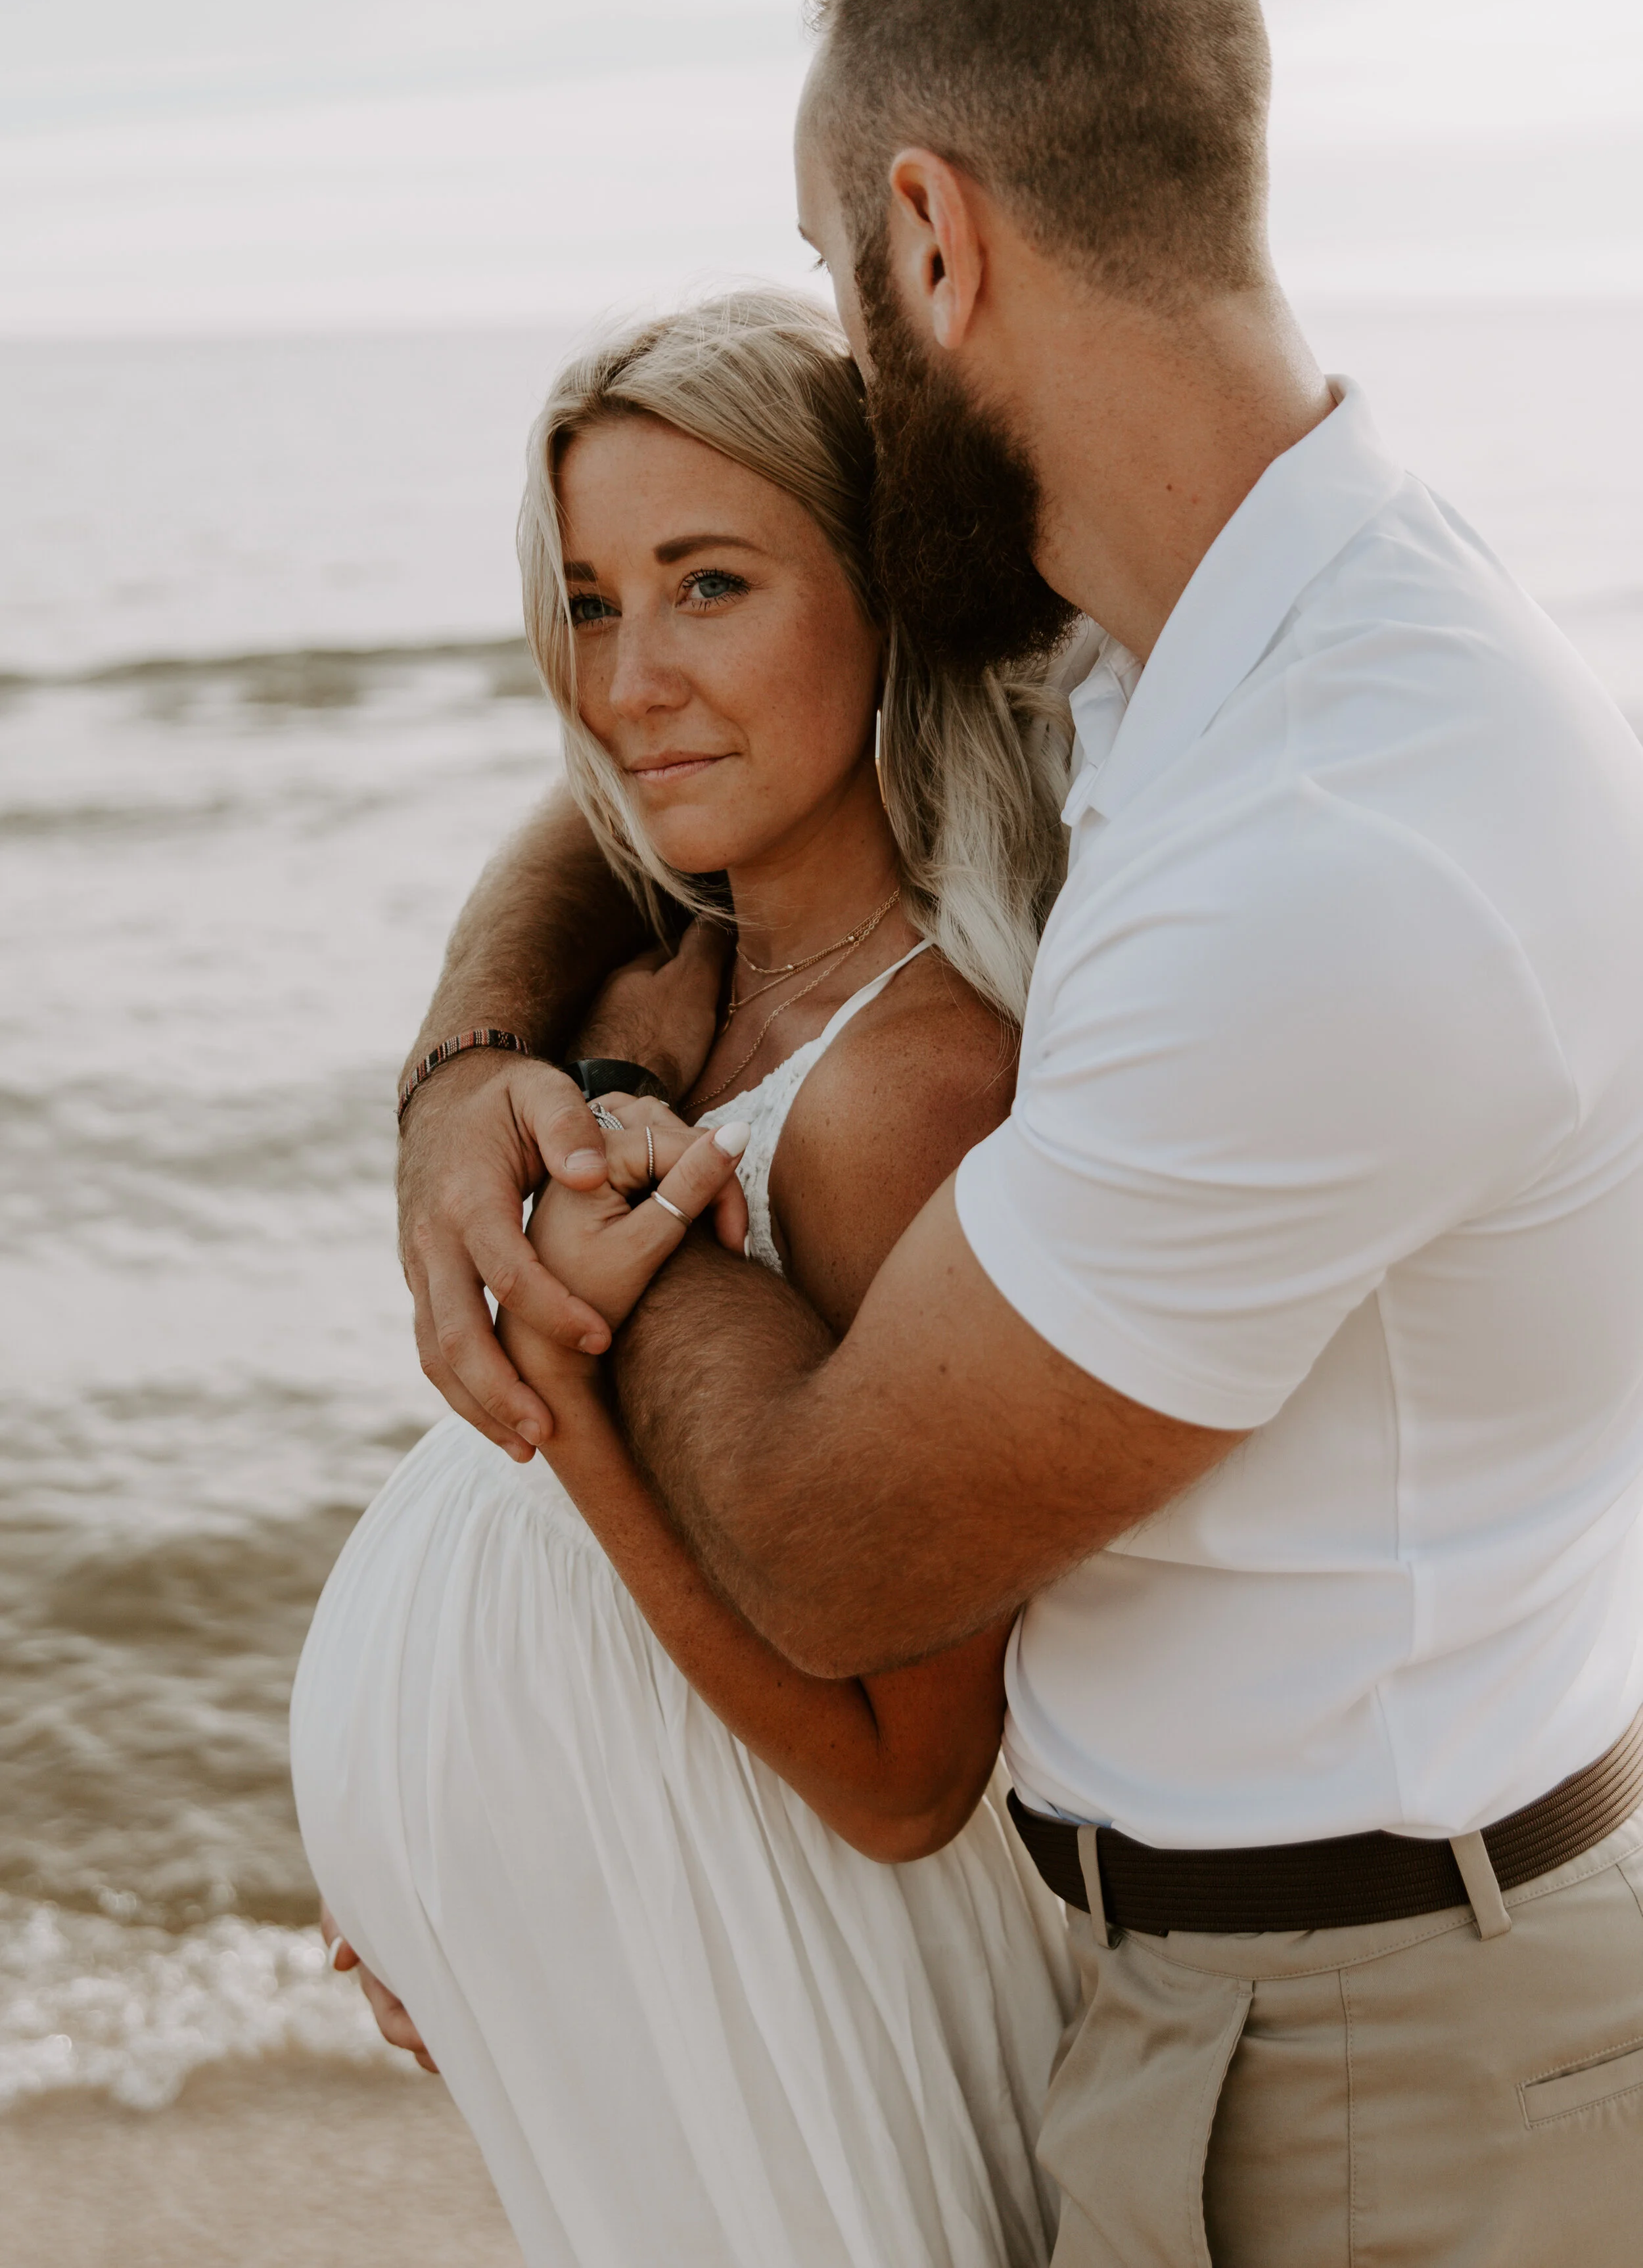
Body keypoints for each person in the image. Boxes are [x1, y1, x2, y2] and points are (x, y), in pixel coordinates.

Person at [387, 0, 1643, 2265]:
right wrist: (467, 1061)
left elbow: (847, 1555)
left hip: (1389, 2057)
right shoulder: (1172, 647)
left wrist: (602, 1158)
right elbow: (664, 795)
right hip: (1217, 1988)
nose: (848, 345)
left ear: (930, 239)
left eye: (834, 273)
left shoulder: (1332, 843)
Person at [292, 287, 1083, 2268]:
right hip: (661, 1991)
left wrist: (564, 1396)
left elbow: (907, 1772)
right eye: (584, 600)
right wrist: (480, 1890)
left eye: (706, 584)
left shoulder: (916, 1082)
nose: (627, 678)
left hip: (811, 2006)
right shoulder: (652, 991)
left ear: (884, 592)